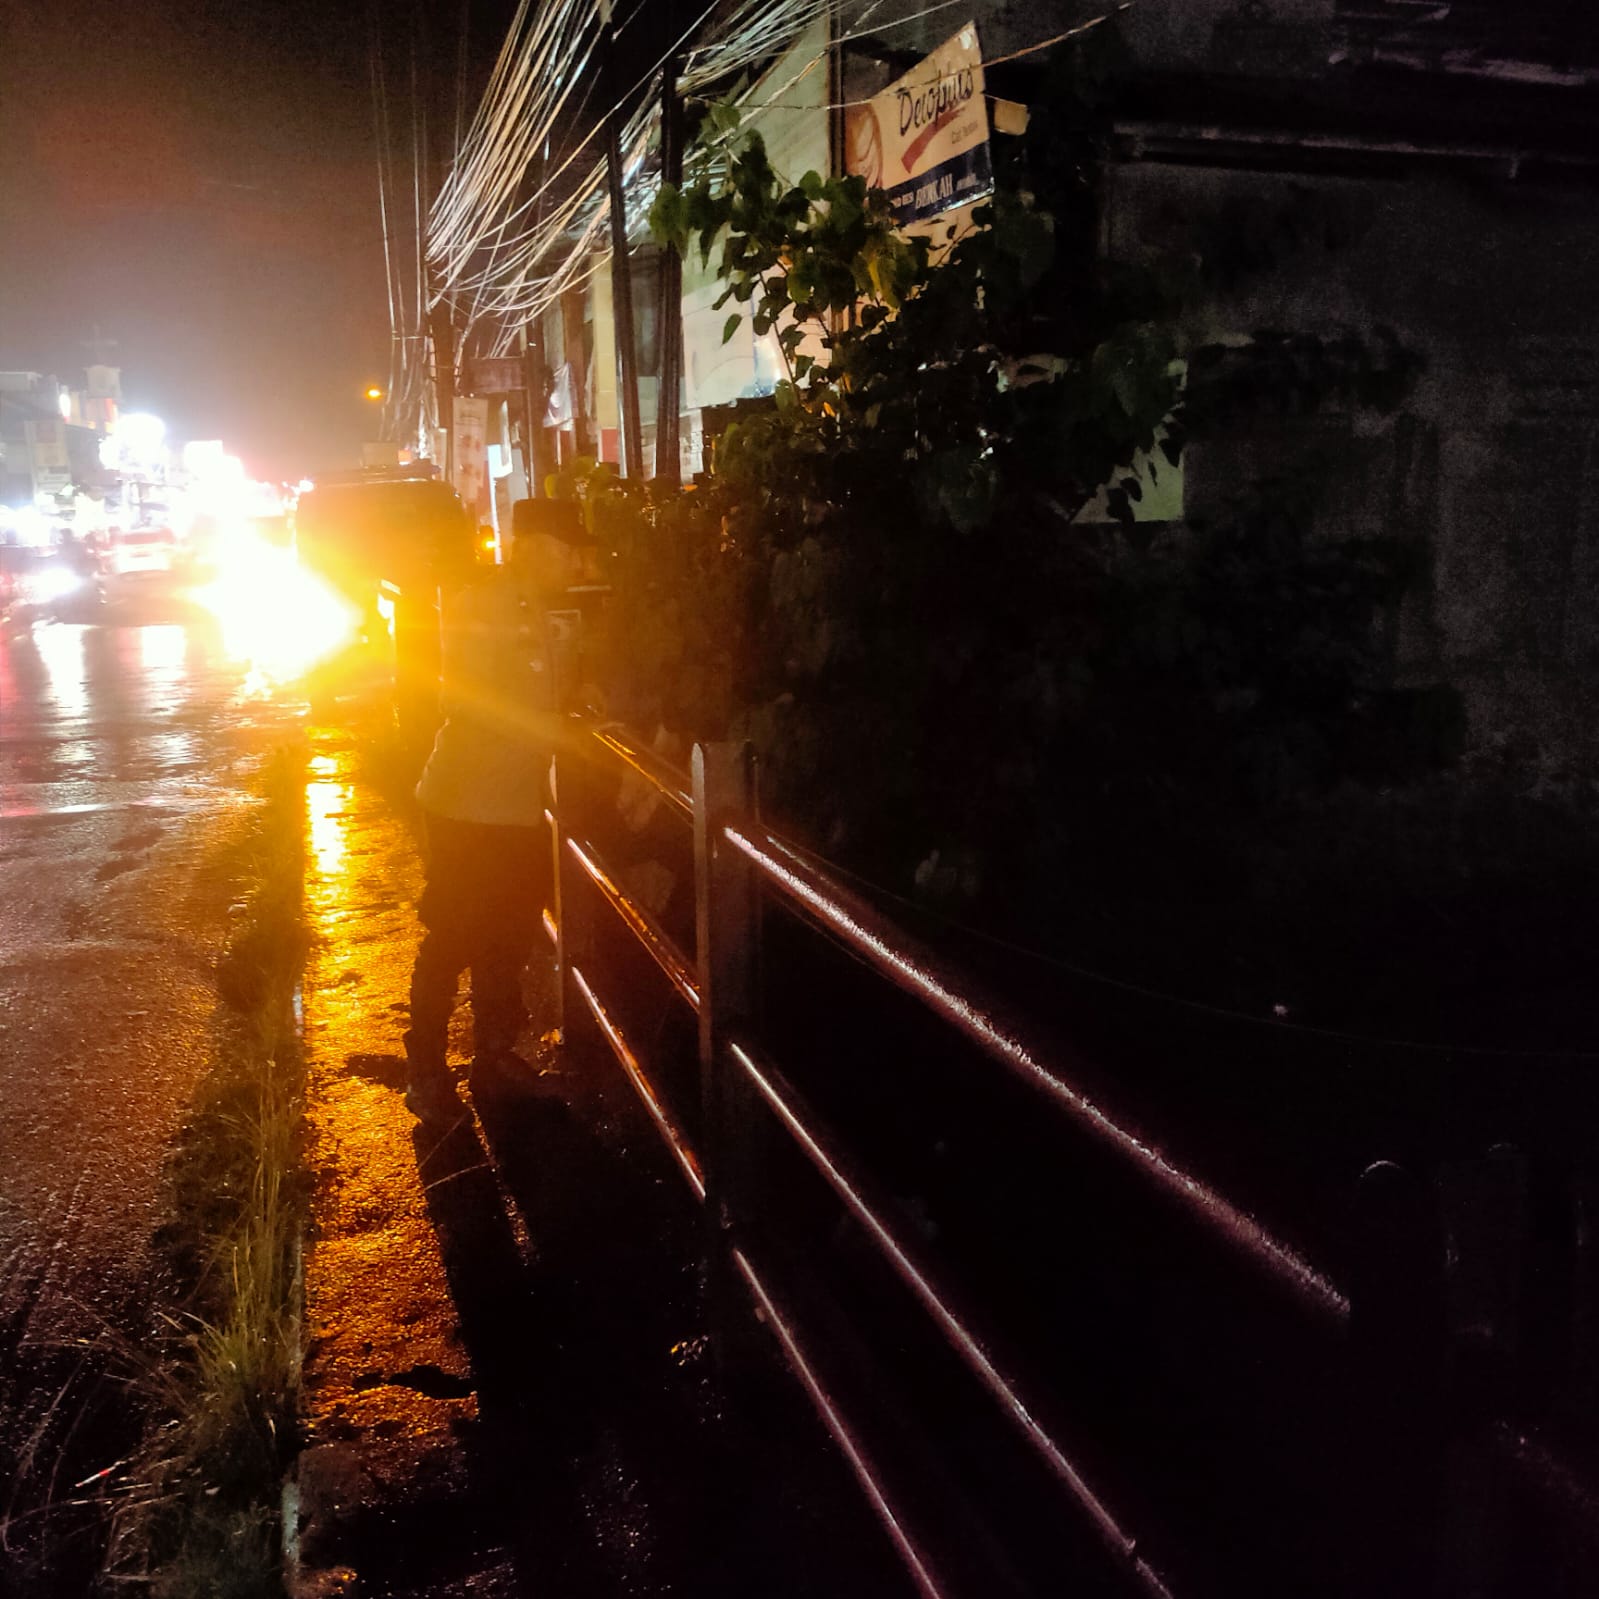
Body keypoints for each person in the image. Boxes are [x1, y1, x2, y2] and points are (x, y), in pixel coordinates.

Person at [401, 502, 579, 1128]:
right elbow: (471, 698)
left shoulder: (539, 610)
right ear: (532, 548)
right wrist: (555, 727)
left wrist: (577, 703)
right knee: (455, 934)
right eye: (565, 551)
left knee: (508, 934)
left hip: (515, 806)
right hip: (466, 804)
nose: (575, 564)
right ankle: (425, 1071)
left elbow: (539, 690)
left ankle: (495, 1058)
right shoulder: (481, 604)